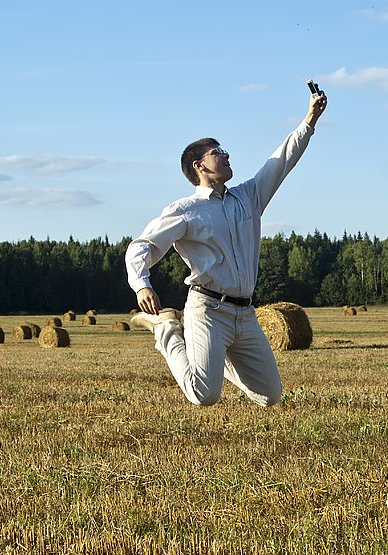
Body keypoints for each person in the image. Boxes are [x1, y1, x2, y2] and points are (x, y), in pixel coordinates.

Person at [125, 84, 328, 407]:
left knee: (269, 395)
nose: (226, 154)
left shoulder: (248, 197)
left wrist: (309, 120)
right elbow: (142, 247)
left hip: (245, 312)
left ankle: (211, 356)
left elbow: (282, 160)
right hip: (208, 309)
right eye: (217, 152)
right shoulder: (185, 210)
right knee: (205, 394)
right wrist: (141, 285)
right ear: (199, 166)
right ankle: (165, 329)